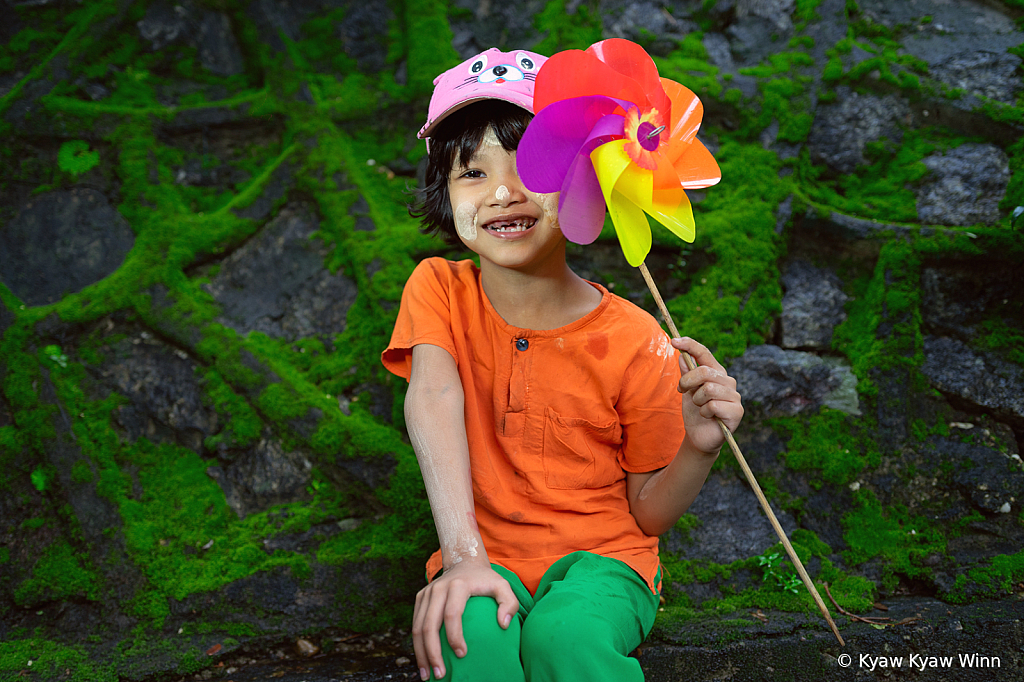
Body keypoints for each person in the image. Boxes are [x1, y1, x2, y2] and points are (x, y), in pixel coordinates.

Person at [381, 47, 743, 682]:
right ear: (445, 192)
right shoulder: (437, 288)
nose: (501, 192)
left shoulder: (636, 337)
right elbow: (433, 397)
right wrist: (464, 559)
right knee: (468, 643)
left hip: (605, 563)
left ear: (588, 175)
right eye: (471, 172)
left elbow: (649, 514)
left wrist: (700, 446)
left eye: (531, 161)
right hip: (483, 557)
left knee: (566, 639)